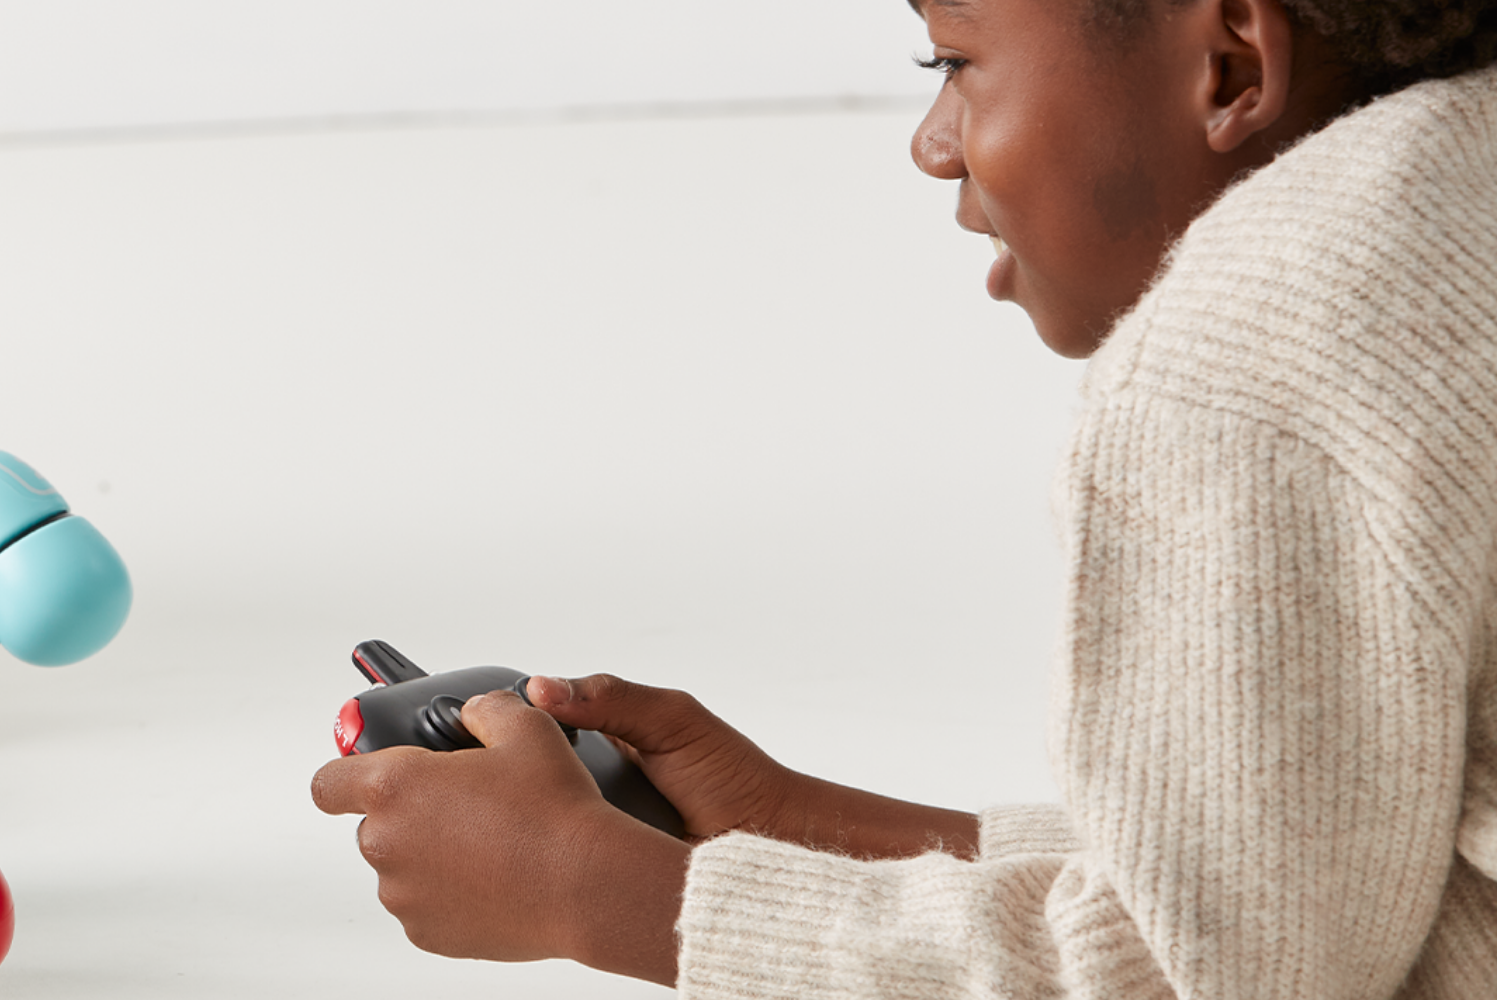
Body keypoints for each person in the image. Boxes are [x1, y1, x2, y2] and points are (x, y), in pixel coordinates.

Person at [312, 0, 1495, 994]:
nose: (934, 144)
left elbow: (1202, 981)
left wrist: (610, 897)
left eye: (957, 63)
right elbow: (1313, 886)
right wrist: (794, 820)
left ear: (1231, 64)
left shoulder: (1253, 342)